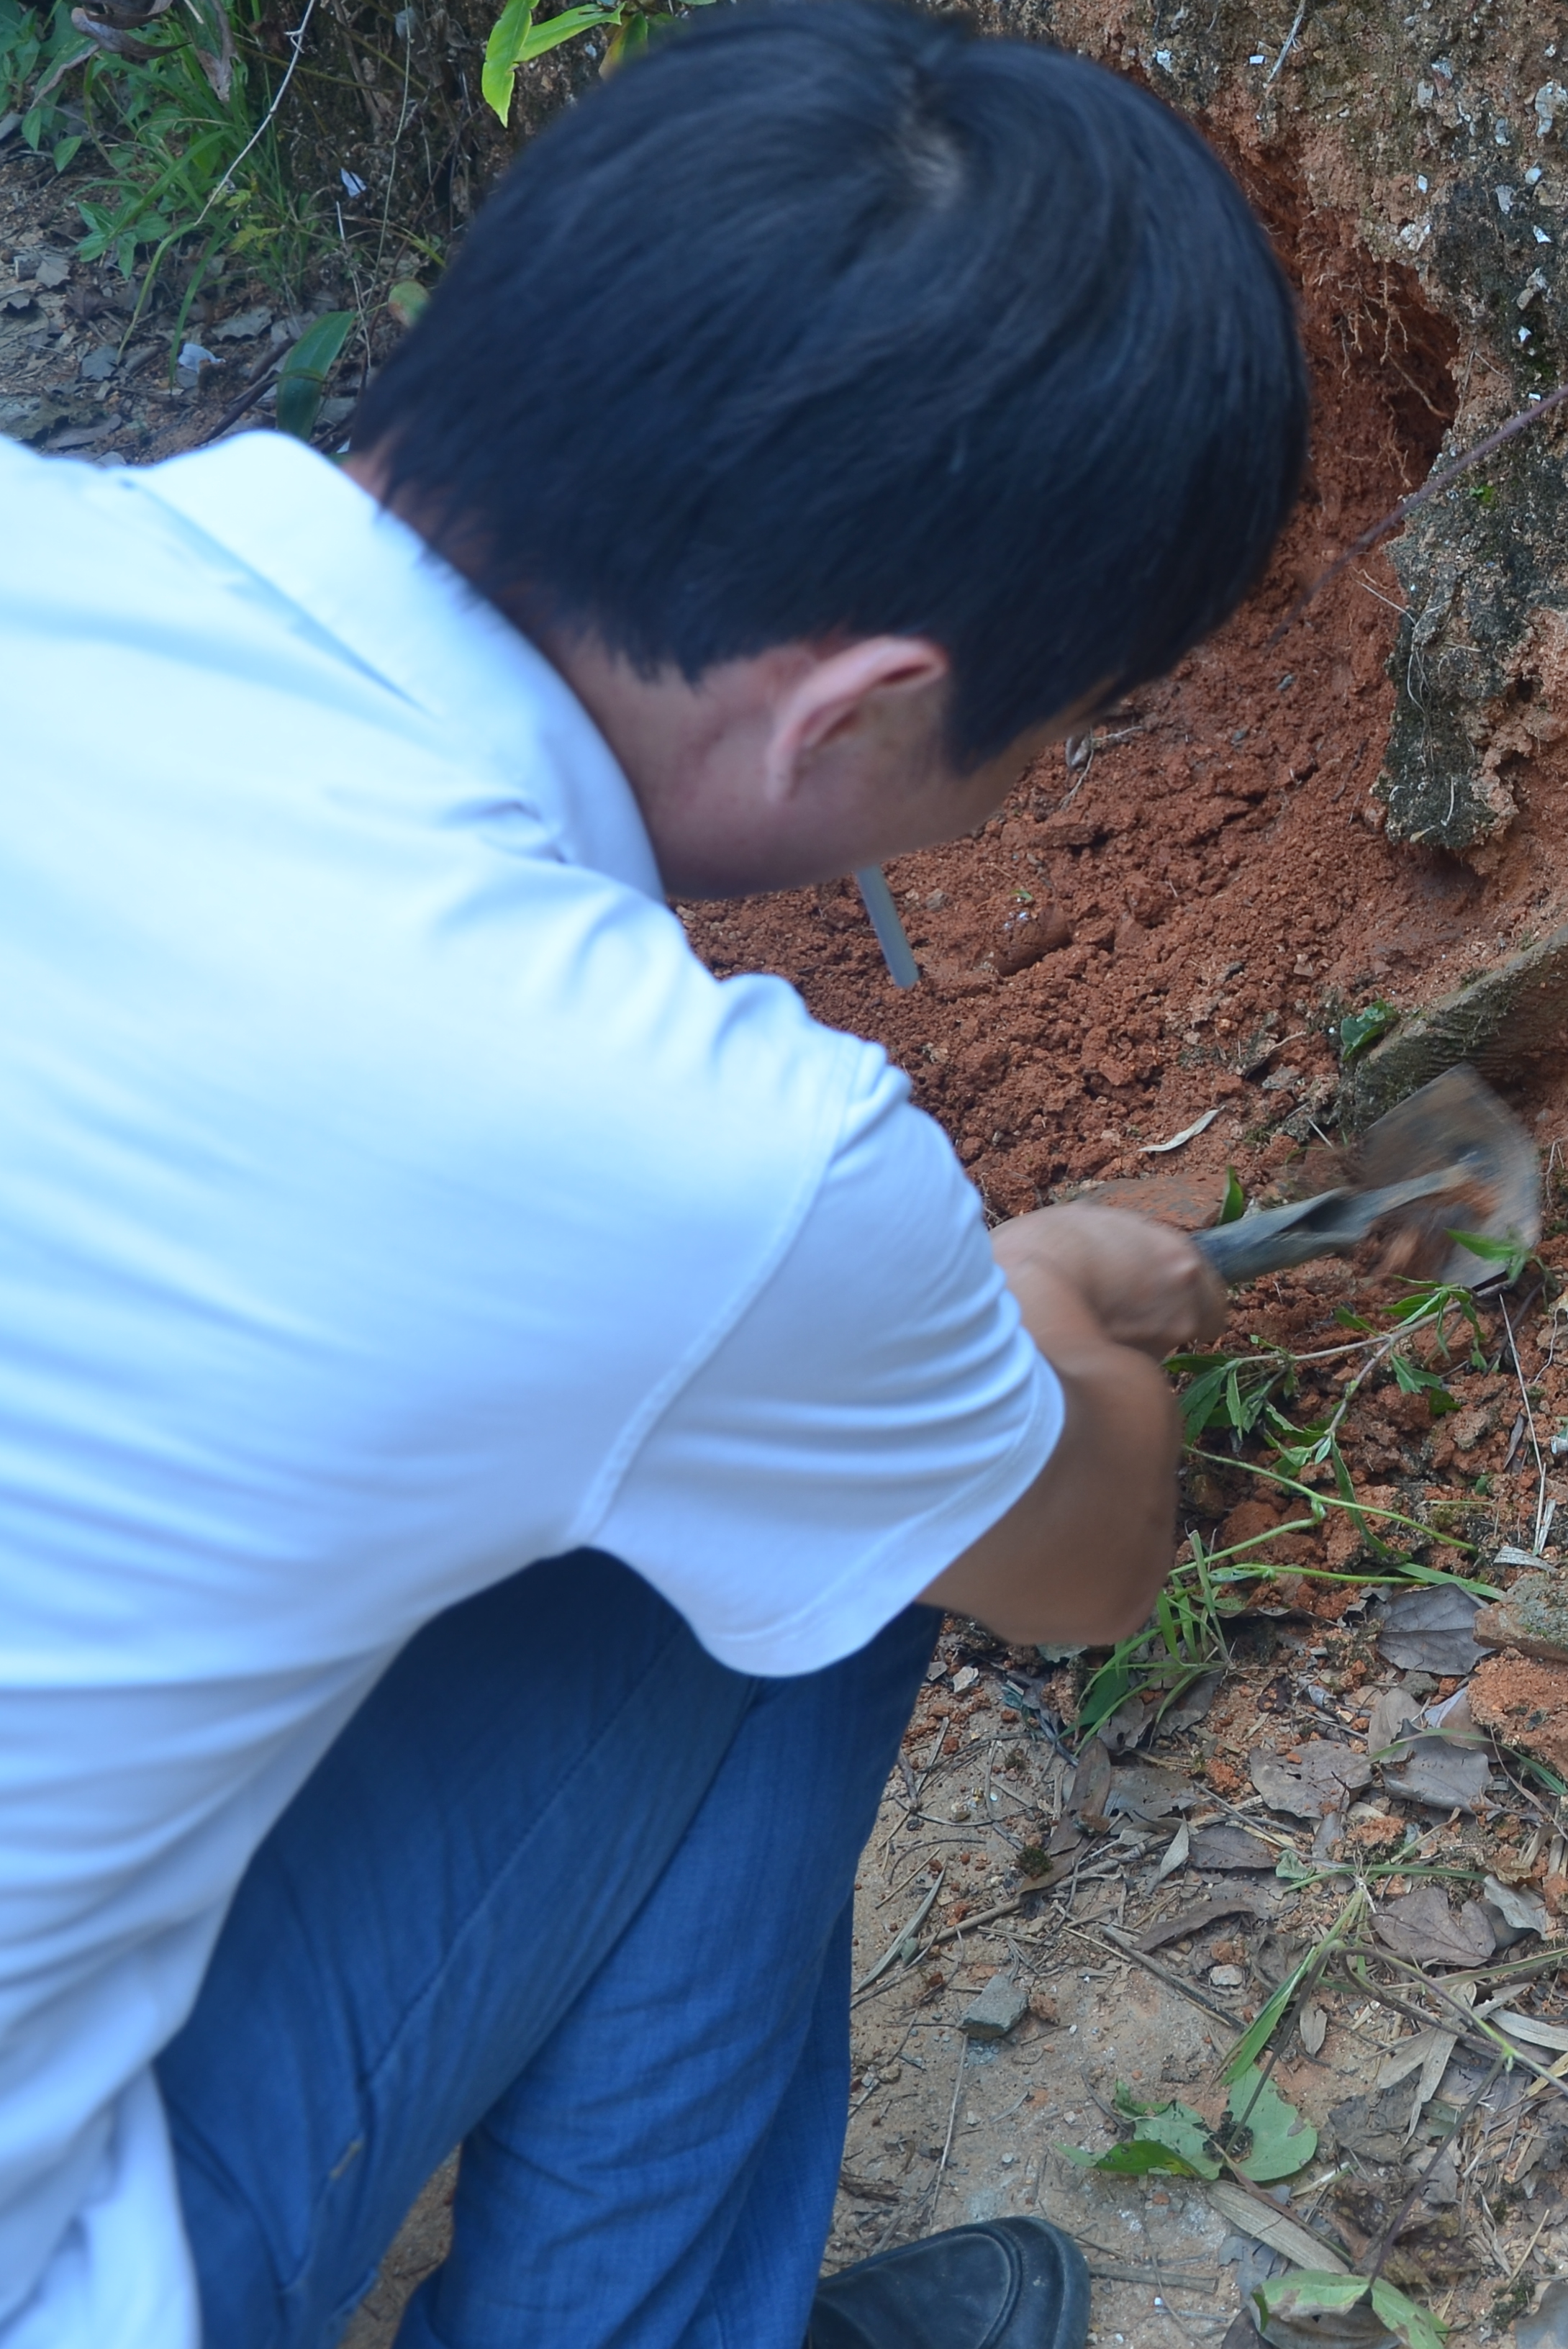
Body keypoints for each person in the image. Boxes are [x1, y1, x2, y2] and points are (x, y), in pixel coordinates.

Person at [0, 4, 1309, 2342]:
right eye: (1063, 737)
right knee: (818, 1542)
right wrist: (1043, 1317)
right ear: (856, 711)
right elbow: (1079, 1562)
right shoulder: (694, 1159)